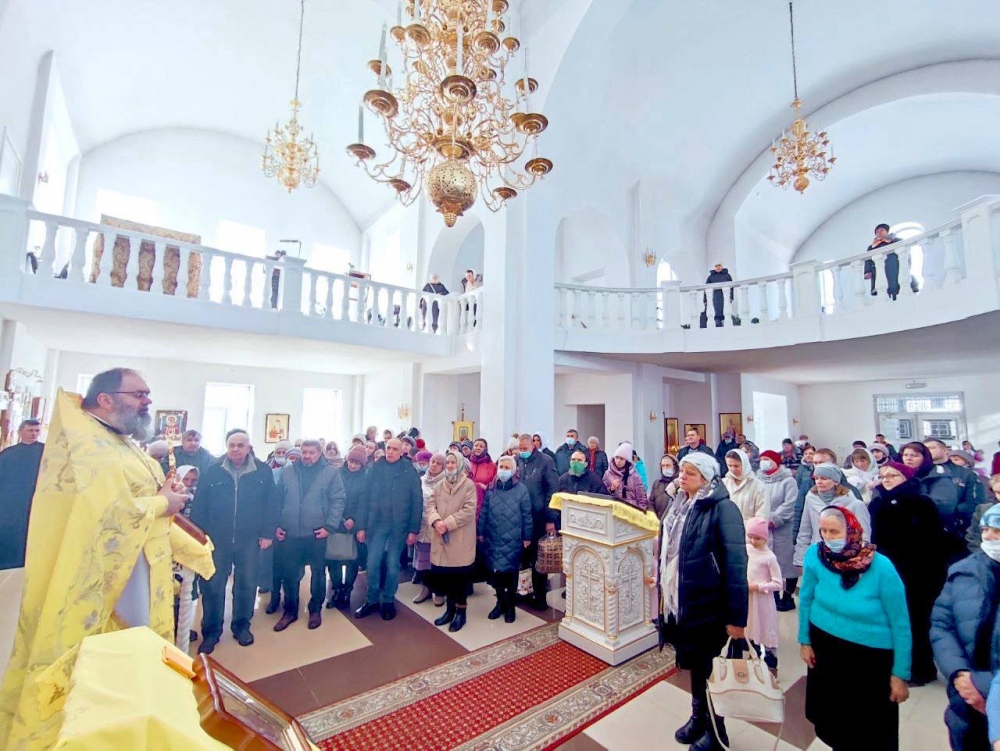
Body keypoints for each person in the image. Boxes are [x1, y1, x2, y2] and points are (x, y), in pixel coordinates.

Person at [0, 371, 208, 751]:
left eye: (148, 393)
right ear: (106, 399)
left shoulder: (120, 441)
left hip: (138, 564)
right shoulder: (89, 444)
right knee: (105, 662)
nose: (147, 401)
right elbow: (103, 512)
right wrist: (163, 502)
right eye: (139, 394)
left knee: (135, 658)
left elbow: (137, 493)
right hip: (106, 576)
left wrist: (165, 493)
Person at [799, 506, 911, 751]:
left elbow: (900, 623)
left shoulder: (881, 567)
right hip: (826, 647)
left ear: (852, 531)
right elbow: (805, 598)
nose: (828, 537)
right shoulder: (816, 555)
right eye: (823, 531)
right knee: (834, 719)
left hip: (868, 658)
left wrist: (900, 673)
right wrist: (804, 641)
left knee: (866, 727)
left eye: (834, 531)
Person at [659, 452, 747, 751]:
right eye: (682, 471)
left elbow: (736, 565)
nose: (682, 477)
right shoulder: (679, 503)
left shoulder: (723, 508)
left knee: (712, 669)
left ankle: (717, 732)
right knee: (697, 664)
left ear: (707, 478)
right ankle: (699, 718)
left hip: (711, 604)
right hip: (686, 600)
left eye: (690, 473)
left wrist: (737, 618)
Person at [192, 429, 276, 652]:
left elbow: (271, 504)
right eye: (232, 445)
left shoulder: (263, 471)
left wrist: (267, 533)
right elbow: (200, 504)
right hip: (216, 540)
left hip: (249, 539)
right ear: (227, 447)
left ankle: (241, 626)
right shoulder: (212, 470)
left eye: (240, 445)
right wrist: (198, 535)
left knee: (247, 584)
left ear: (248, 448)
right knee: (213, 586)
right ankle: (211, 632)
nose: (236, 449)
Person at [869, 460, 947, 685]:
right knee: (892, 617)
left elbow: (933, 539)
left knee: (916, 619)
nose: (886, 480)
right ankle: (897, 664)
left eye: (892, 476)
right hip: (888, 568)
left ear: (905, 478)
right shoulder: (879, 503)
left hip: (919, 571)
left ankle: (921, 668)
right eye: (883, 476)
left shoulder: (921, 503)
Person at [931, 503, 1000, 750]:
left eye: (997, 531)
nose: (988, 537)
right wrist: (959, 675)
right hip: (964, 702)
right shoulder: (964, 571)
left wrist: (987, 692)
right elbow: (941, 625)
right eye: (985, 530)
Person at [271, 440, 345, 632]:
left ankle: (315, 609)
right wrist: (277, 524)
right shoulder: (288, 471)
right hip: (290, 532)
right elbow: (277, 500)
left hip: (317, 533)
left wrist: (330, 526)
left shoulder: (330, 472)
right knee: (290, 574)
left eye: (311, 452)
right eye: (304, 452)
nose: (307, 456)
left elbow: (338, 500)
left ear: (320, 453)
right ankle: (290, 611)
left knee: (318, 573)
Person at [354, 438, 423, 621]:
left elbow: (417, 501)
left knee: (393, 565)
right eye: (388, 448)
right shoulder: (374, 469)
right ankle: (372, 600)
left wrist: (413, 530)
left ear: (402, 452)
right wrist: (361, 527)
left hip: (398, 527)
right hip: (376, 525)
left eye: (394, 449)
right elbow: (363, 498)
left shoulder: (409, 471)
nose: (390, 452)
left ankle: (388, 600)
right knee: (372, 563)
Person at [902, 440, 981, 565]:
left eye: (932, 447)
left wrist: (955, 515)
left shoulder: (965, 473)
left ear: (945, 450)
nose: (928, 450)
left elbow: (974, 502)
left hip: (956, 529)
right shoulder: (917, 473)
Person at [427, 451, 478, 632]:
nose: (449, 465)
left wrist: (447, 524)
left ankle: (461, 613)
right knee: (446, 577)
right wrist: (436, 521)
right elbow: (430, 505)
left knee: (459, 578)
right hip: (441, 537)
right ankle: (449, 611)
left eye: (453, 462)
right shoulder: (439, 485)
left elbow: (469, 510)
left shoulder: (468, 485)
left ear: (460, 465)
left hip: (459, 539)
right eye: (447, 462)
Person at [479, 455, 533, 623]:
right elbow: (484, 511)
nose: (503, 470)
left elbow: (527, 515)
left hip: (513, 538)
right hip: (493, 537)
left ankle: (510, 607)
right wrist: (481, 532)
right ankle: (500, 603)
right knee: (497, 574)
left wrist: (527, 536)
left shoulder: (521, 489)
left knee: (510, 574)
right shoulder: (492, 488)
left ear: (514, 470)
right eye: (501, 467)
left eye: (507, 467)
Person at [794, 463, 871, 568]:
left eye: (824, 478)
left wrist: (857, 562)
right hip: (817, 557)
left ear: (835, 481)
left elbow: (864, 535)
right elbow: (805, 531)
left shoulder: (855, 504)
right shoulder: (810, 499)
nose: (819, 481)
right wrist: (800, 561)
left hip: (845, 559)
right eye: (816, 478)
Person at [515, 433, 560, 610]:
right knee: (522, 557)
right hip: (520, 517)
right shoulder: (517, 460)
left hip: (539, 517)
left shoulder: (546, 461)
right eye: (520, 448)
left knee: (538, 559)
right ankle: (523, 591)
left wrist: (551, 518)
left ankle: (540, 597)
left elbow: (552, 490)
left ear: (533, 446)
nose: (522, 451)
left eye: (524, 448)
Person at [328, 444, 369, 610]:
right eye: (351, 462)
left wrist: (355, 520)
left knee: (353, 560)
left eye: (357, 463)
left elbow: (365, 503)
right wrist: (339, 518)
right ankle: (337, 590)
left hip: (355, 526)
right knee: (334, 559)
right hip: (336, 522)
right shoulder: (337, 474)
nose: (353, 465)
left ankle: (347, 591)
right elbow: (331, 497)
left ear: (362, 464)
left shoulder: (366, 478)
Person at [757, 449, 800, 611]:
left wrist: (774, 519)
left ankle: (788, 596)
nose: (764, 462)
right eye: (762, 459)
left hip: (784, 527)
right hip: (764, 527)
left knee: (787, 563)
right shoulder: (758, 480)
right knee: (768, 563)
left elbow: (790, 503)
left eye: (767, 459)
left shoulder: (788, 480)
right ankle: (773, 595)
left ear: (776, 462)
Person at [0, 418, 44, 570]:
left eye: (37, 431)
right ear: (21, 432)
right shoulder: (8, 453)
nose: (34, 434)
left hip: (35, 500)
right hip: (10, 500)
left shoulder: (46, 452)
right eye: (30, 430)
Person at [745, 516, 782, 672]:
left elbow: (778, 584)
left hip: (763, 601)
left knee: (766, 628)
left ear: (765, 538)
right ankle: (752, 662)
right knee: (750, 628)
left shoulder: (770, 558)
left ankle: (771, 664)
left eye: (757, 538)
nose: (753, 541)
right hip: (749, 599)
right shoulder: (746, 550)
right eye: (750, 537)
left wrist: (759, 587)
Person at [413, 451, 443, 604]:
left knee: (437, 562)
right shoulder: (420, 481)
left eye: (438, 463)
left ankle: (438, 591)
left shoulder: (446, 483)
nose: (434, 465)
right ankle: (425, 589)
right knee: (423, 561)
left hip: (437, 527)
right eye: (433, 462)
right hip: (422, 526)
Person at [722, 448, 769, 521]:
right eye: (730, 465)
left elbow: (762, 515)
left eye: (736, 466)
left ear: (744, 464)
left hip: (749, 527)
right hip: (725, 526)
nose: (733, 469)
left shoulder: (759, 486)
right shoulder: (723, 484)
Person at [603, 442, 649, 510]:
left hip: (631, 511)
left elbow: (642, 499)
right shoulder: (608, 474)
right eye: (617, 457)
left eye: (621, 459)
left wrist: (641, 512)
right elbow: (602, 494)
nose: (618, 461)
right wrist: (611, 489)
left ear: (627, 460)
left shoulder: (634, 476)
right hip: (613, 511)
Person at [865, 223, 900, 299]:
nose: (879, 233)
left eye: (882, 230)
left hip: (894, 265)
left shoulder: (895, 240)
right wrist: (867, 271)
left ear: (887, 231)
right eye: (877, 232)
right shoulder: (872, 246)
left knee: (895, 282)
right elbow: (868, 259)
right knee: (881, 284)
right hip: (878, 269)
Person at [468, 438, 497, 512]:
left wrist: (486, 487)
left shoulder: (492, 466)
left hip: (484, 500)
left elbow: (495, 484)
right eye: (476, 445)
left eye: (481, 446)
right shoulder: (467, 463)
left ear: (485, 449)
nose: (478, 448)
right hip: (468, 498)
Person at [649, 454, 681, 519]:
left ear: (675, 467)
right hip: (657, 521)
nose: (665, 468)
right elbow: (651, 502)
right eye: (663, 466)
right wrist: (653, 516)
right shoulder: (657, 483)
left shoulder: (679, 484)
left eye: (668, 465)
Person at [703, 262, 734, 328]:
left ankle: (725, 324)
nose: (718, 267)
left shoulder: (727, 275)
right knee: (716, 311)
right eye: (716, 266)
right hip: (715, 297)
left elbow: (731, 287)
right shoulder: (710, 277)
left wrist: (731, 297)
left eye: (719, 265)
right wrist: (705, 300)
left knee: (725, 310)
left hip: (724, 296)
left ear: (722, 266)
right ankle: (718, 324)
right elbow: (706, 289)